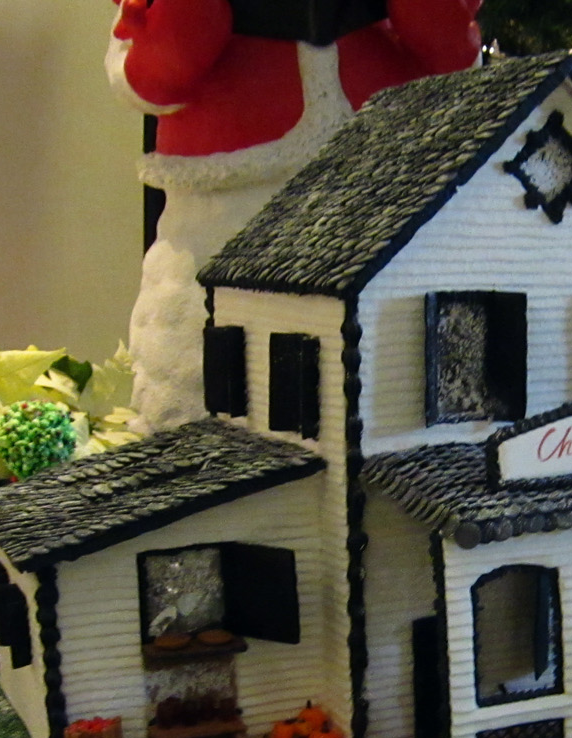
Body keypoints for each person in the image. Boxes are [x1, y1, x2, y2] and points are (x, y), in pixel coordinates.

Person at [108, 0, 482, 429]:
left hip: (378, 188)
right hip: (229, 203)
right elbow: (155, 76)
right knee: (212, 345)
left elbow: (452, 55)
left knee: (391, 351)